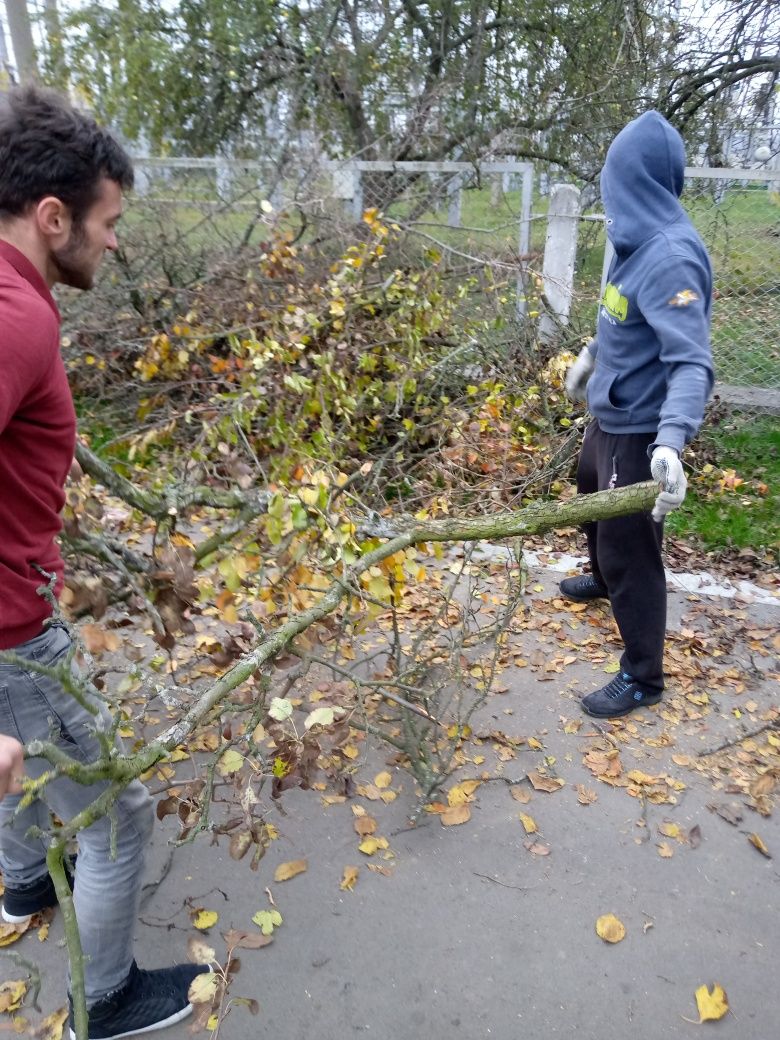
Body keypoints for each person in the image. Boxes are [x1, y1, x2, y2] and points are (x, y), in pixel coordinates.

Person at [0, 86, 207, 1039]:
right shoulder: (19, 319)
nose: (116, 243)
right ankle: (108, 1000)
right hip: (11, 635)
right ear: (54, 217)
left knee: (28, 762)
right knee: (121, 817)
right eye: (108, 222)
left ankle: (20, 883)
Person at [562, 110, 714, 718]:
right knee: (587, 490)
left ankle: (644, 675)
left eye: (614, 178)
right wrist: (592, 354)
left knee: (632, 549)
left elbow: (691, 363)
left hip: (642, 428)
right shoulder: (633, 242)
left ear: (635, 182)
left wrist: (671, 441)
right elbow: (622, 317)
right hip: (609, 414)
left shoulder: (671, 257)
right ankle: (603, 576)